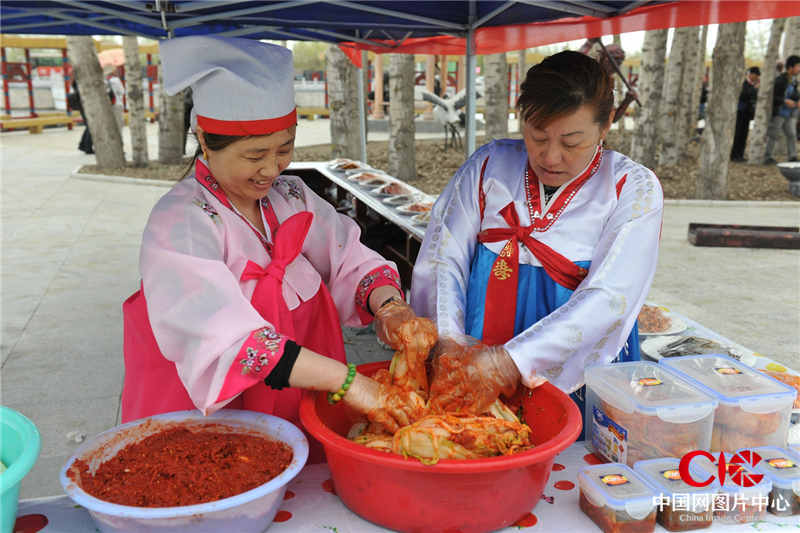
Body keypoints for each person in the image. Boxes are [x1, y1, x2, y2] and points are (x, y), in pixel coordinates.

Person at [121, 36, 423, 462]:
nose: (272, 168)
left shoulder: (291, 197)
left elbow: (347, 256)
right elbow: (225, 336)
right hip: (214, 408)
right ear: (205, 141)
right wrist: (349, 381)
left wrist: (390, 306)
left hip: (297, 387)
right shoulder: (183, 221)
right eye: (254, 155)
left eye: (285, 149)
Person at [411, 51, 663, 437]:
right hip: (475, 340)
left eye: (571, 141)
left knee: (563, 459)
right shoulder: (489, 166)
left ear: (606, 124)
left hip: (570, 360)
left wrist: (511, 361)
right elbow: (445, 256)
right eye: (537, 136)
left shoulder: (631, 187)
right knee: (470, 442)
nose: (550, 156)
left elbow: (612, 294)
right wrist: (449, 340)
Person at [578, 38, 637, 123]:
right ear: (601, 56)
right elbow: (572, 64)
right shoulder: (587, 72)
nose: (616, 66)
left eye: (620, 62)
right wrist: (589, 43)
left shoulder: (608, 83)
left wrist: (626, 101)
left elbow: (611, 119)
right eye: (614, 59)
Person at [764, 55, 800, 164]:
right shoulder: (780, 80)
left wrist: (798, 100)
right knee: (773, 134)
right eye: (798, 66)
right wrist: (784, 101)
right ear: (790, 67)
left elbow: (794, 94)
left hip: (789, 114)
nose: (799, 69)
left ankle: (792, 156)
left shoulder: (794, 81)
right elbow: (773, 97)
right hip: (779, 113)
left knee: (792, 134)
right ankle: (767, 157)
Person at [730, 66, 760, 162]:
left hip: (747, 113)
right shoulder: (744, 83)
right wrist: (754, 89)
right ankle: (734, 155)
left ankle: (740, 154)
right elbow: (744, 95)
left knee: (744, 134)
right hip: (740, 112)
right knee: (738, 134)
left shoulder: (752, 85)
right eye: (756, 75)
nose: (757, 78)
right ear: (751, 74)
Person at [106, 68, 125, 134]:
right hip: (117, 104)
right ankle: (119, 138)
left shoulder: (104, 80)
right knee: (119, 123)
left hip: (107, 106)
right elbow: (122, 91)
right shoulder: (116, 80)